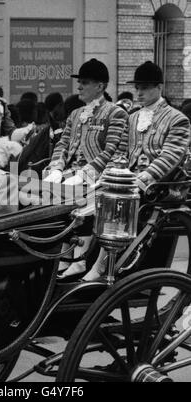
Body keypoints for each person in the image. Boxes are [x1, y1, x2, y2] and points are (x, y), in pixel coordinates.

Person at [83, 61, 191, 282]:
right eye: (138, 88)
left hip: (158, 187)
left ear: (158, 87)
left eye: (145, 88)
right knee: (88, 194)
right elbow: (121, 152)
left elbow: (170, 156)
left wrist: (145, 176)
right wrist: (111, 173)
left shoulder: (177, 118)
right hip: (131, 180)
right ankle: (77, 255)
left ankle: (101, 264)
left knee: (116, 198)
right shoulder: (132, 117)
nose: (139, 93)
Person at [43, 58, 129, 280]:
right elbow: (63, 145)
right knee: (39, 196)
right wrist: (55, 167)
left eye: (85, 82)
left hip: (100, 178)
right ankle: (61, 254)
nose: (79, 86)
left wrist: (86, 174)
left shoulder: (114, 113)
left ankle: (79, 259)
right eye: (79, 82)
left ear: (100, 86)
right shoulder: (75, 114)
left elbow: (111, 151)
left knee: (79, 200)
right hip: (71, 175)